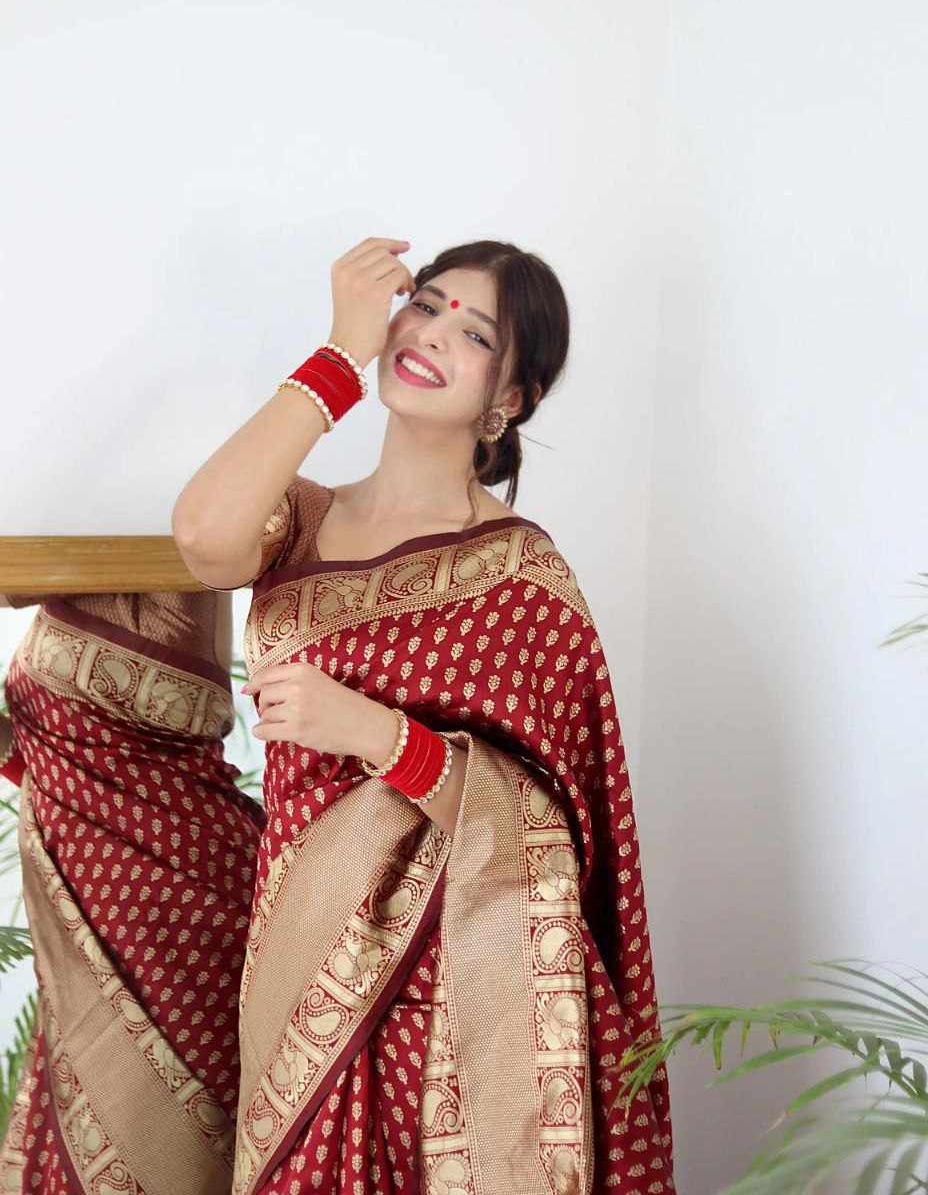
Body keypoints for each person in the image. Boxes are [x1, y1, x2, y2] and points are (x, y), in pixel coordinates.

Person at [173, 235, 675, 1194]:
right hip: (295, 959)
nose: (434, 333)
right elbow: (203, 538)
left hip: (444, 994)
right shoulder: (300, 519)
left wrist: (375, 735)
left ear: (509, 399)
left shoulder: (522, 577)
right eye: (427, 304)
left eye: (475, 333)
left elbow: (551, 840)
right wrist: (338, 352)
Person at [0, 586, 264, 1194]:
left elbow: (124, 749)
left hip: (176, 907)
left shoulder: (161, 557)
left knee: (174, 1136)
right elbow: (72, 755)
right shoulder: (67, 577)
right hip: (101, 897)